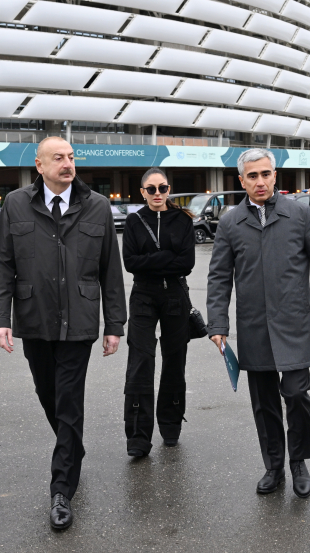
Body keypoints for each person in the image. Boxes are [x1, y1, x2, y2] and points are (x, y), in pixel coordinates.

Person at [0, 136, 126, 531]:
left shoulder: (97, 206)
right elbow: (1, 265)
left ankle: (61, 490)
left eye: (71, 157)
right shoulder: (16, 204)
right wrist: (1, 318)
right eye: (58, 158)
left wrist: (114, 325)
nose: (67, 163)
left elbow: (110, 270)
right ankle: (74, 449)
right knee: (47, 394)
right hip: (34, 318)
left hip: (80, 320)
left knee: (68, 400)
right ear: (40, 165)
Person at [206, 148, 310, 499]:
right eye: (252, 176)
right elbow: (218, 278)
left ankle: (298, 462)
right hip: (254, 327)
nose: (260, 182)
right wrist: (218, 324)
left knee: (296, 395)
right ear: (241, 180)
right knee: (264, 404)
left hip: (293, 325)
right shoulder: (230, 222)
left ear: (275, 176)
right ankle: (273, 466)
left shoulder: (299, 215)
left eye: (265, 174)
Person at [121, 168, 196, 457]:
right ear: (142, 192)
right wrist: (168, 259)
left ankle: (171, 425)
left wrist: (150, 260)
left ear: (169, 190)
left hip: (175, 295)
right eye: (150, 189)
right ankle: (138, 437)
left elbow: (186, 262)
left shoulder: (182, 219)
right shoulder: (134, 221)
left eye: (162, 188)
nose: (156, 194)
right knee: (140, 360)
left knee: (175, 359)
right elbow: (130, 262)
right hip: (143, 295)